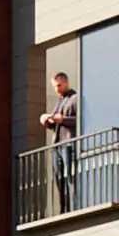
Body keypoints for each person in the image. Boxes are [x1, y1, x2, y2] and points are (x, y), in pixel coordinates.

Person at [40, 72, 79, 213]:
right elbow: (58, 124)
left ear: (66, 82)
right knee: (59, 179)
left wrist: (63, 119)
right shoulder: (59, 102)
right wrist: (48, 122)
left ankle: (74, 207)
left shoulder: (75, 98)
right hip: (57, 145)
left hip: (68, 144)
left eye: (58, 85)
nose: (56, 89)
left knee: (71, 176)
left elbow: (80, 119)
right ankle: (64, 208)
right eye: (54, 86)